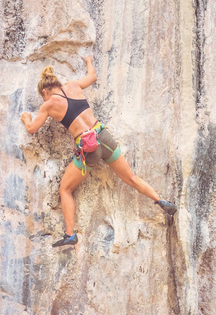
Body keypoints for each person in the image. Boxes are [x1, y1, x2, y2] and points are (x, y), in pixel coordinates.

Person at [20, 55, 177, 247]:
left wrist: (27, 118)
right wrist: (88, 62)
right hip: (104, 137)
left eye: (43, 96)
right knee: (130, 178)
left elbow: (32, 129)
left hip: (89, 149)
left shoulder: (49, 103)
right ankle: (160, 200)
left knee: (66, 189)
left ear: (45, 91)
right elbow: (92, 77)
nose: (44, 100)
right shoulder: (73, 86)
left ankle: (70, 234)